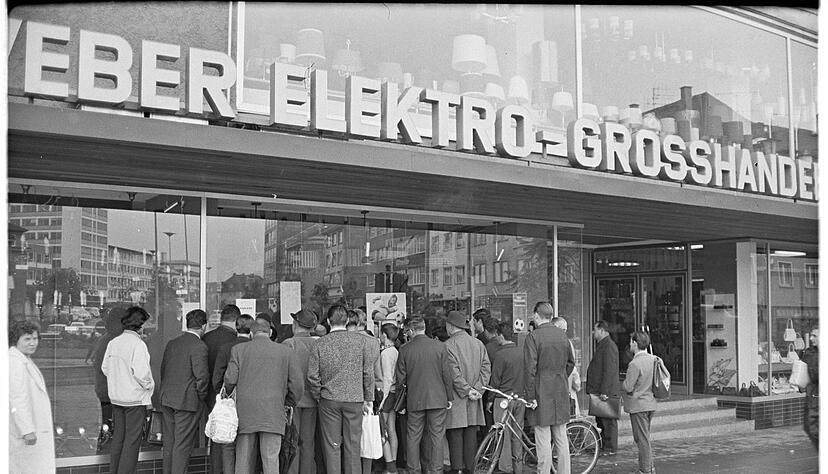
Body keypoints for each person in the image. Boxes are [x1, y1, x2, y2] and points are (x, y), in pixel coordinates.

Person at [224, 319, 303, 473]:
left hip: (245, 412)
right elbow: (297, 384)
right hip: (274, 412)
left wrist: (228, 396)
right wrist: (289, 402)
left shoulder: (238, 350)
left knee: (244, 460)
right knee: (271, 459)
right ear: (270, 332)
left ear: (251, 333)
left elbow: (230, 379)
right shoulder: (286, 351)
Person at [308, 304, 378, 474]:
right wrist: (369, 398)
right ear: (347, 321)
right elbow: (368, 372)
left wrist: (319, 395)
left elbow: (312, 376)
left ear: (328, 321)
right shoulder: (362, 342)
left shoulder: (320, 343)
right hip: (355, 399)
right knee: (353, 445)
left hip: (329, 400)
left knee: (332, 446)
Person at [394, 317, 454, 474]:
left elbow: (400, 380)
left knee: (413, 436)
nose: (406, 334)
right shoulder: (440, 347)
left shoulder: (405, 350)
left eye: (407, 331)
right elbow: (447, 375)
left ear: (412, 331)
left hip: (415, 400)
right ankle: (436, 470)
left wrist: (400, 402)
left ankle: (413, 469)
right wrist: (449, 397)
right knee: (437, 437)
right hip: (438, 398)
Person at [101, 306, 155, 473]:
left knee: (118, 439)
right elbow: (142, 374)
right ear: (140, 325)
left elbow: (105, 368)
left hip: (117, 398)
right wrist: (149, 387)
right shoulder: (138, 344)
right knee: (132, 441)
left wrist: (119, 379)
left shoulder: (113, 343)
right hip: (134, 400)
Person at [524, 302, 573, 474]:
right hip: (559, 389)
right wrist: (560, 377)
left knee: (542, 437)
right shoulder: (562, 335)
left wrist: (530, 397)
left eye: (533, 316)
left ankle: (543, 472)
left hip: (541, 390)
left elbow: (530, 369)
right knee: (561, 437)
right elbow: (571, 363)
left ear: (537, 315)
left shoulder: (533, 337)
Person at [160, 308, 210, 474]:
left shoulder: (172, 343)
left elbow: (163, 370)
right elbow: (202, 377)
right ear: (204, 326)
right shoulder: (199, 346)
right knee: (182, 446)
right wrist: (200, 397)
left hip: (167, 398)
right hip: (186, 402)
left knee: (169, 444)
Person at [444, 310, 491, 474]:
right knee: (471, 436)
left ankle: (457, 470)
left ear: (451, 326)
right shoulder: (478, 343)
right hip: (474, 399)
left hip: (458, 400)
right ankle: (471, 469)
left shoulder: (448, 345)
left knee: (455, 436)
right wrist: (477, 389)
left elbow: (453, 373)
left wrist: (467, 390)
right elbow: (486, 369)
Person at [9, 320, 56, 473]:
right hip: (24, 433)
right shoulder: (15, 363)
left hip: (31, 429)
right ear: (16, 340)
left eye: (35, 339)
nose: (32, 343)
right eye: (27, 339)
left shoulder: (24, 360)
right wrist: (27, 429)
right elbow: (17, 398)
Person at [212, 314, 255, 474]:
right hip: (250, 403)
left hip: (229, 401)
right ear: (252, 330)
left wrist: (222, 397)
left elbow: (217, 377)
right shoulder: (254, 348)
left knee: (227, 445)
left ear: (236, 327)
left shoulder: (226, 348)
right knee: (247, 445)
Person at [204, 304, 240, 473]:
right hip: (229, 396)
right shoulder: (235, 342)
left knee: (216, 436)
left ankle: (215, 470)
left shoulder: (207, 337)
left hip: (211, 395)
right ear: (236, 320)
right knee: (231, 438)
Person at [283, 308, 321, 474]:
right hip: (312, 400)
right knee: (308, 442)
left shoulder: (289, 344)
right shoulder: (318, 344)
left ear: (295, 324)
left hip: (292, 401)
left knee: (292, 441)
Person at [487, 321, 525, 474]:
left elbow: (495, 380)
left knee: (503, 435)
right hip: (520, 398)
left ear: (501, 336)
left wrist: (490, 399)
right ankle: (519, 468)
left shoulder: (500, 354)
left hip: (502, 398)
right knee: (518, 433)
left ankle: (505, 468)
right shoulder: (522, 352)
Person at [622, 331, 657, 474]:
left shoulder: (635, 363)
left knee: (641, 440)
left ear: (635, 343)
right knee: (644, 437)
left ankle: (645, 470)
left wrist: (623, 384)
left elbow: (628, 386)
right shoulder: (654, 359)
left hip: (638, 405)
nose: (630, 345)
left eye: (631, 342)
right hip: (650, 403)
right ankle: (649, 467)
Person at [91, 306, 125, 452]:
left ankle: (105, 447)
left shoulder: (106, 339)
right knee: (112, 425)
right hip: (111, 391)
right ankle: (107, 450)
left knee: (108, 423)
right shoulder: (111, 341)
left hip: (106, 390)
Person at [586, 320, 620, 456]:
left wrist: (605, 391)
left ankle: (610, 448)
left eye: (595, 330)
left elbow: (609, 370)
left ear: (602, 330)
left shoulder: (609, 346)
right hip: (599, 390)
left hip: (606, 392)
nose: (593, 333)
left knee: (608, 421)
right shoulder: (603, 345)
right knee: (601, 419)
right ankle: (603, 446)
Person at [377, 323, 401, 474]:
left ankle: (390, 466)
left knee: (381, 430)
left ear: (385, 336)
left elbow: (386, 378)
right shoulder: (396, 351)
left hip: (387, 395)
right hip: (395, 394)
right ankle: (393, 464)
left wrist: (382, 400)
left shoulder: (386, 353)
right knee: (391, 429)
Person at [552, 317, 582, 415]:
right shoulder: (566, 343)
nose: (564, 333)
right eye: (563, 330)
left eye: (565, 330)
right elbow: (571, 365)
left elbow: (571, 365)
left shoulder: (566, 342)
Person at [801, 327, 819, 449]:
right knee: (809, 427)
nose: (811, 338)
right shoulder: (809, 353)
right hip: (812, 396)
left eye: (815, 336)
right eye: (811, 335)